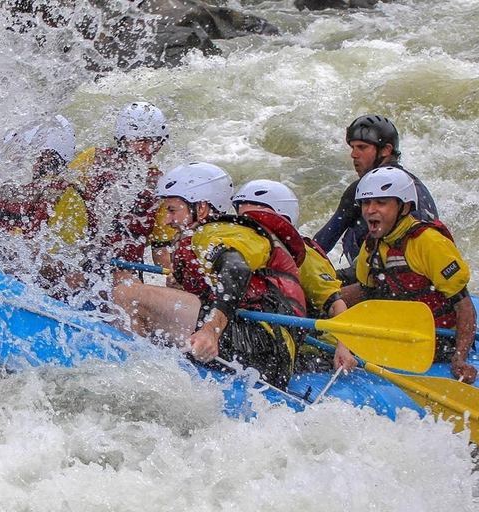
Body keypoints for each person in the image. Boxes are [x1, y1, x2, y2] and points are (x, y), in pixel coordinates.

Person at [112, 162, 306, 389]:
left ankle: (136, 378)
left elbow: (236, 269)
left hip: (263, 346)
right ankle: (148, 372)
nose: (166, 220)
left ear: (201, 208)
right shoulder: (211, 234)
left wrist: (211, 329)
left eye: (173, 210)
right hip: (259, 344)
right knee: (132, 287)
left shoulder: (214, 233)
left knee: (127, 293)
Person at [341, 167, 476, 383]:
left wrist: (460, 357)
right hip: (398, 333)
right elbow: (365, 292)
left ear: (404, 208)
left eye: (381, 203)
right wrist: (326, 301)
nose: (370, 210)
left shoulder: (429, 243)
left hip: (438, 340)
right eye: (366, 203)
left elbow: (464, 306)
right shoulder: (372, 245)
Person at [231, 179, 357, 372]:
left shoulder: (302, 256)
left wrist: (343, 346)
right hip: (269, 335)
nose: (245, 227)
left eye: (253, 220)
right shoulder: (244, 251)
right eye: (242, 219)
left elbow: (336, 305)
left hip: (316, 348)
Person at [313, 114, 439, 280]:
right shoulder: (415, 186)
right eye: (352, 147)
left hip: (385, 280)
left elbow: (317, 248)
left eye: (362, 147)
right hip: (406, 280)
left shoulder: (363, 190)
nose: (354, 155)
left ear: (386, 150)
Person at [0, 115, 89, 299]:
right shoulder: (3, 188)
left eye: (27, 154)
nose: (15, 160)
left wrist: (9, 249)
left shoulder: (68, 199)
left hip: (35, 294)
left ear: (49, 159)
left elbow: (63, 266)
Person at [70, 101, 169, 284]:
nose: (149, 148)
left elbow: (160, 245)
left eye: (155, 142)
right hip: (81, 261)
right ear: (122, 138)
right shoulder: (93, 159)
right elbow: (63, 201)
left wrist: (175, 278)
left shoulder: (159, 184)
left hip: (127, 272)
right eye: (141, 140)